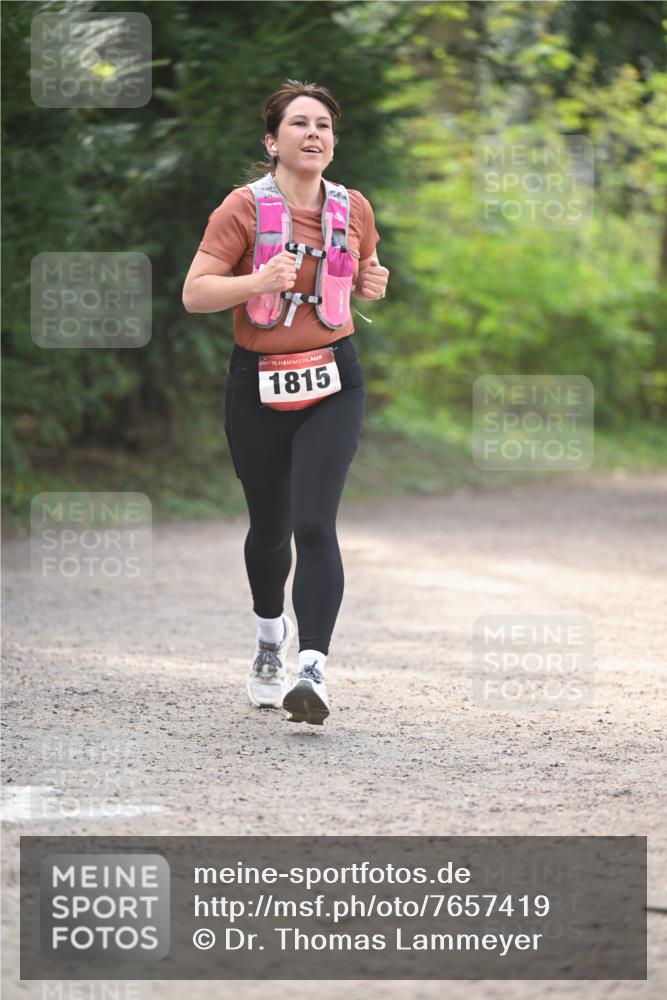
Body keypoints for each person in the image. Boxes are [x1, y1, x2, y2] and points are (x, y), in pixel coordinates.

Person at [182, 79, 389, 726]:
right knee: (269, 530)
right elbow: (195, 293)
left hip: (334, 379)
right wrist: (256, 280)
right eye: (299, 124)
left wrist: (372, 281)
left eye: (323, 124)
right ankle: (269, 640)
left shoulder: (352, 206)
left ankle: (313, 669)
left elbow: (365, 269)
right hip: (258, 384)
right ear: (272, 142)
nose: (313, 134)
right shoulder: (241, 209)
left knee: (313, 524)